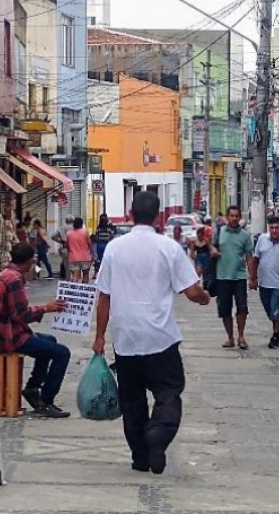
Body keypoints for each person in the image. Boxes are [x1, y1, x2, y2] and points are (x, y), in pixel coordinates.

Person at [92, 191, 211, 475]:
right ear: (159, 217)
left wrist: (99, 337)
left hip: (126, 339)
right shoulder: (168, 248)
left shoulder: (114, 248)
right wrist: (205, 297)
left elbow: (104, 297)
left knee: (132, 402)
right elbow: (191, 291)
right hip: (160, 338)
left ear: (131, 214)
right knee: (168, 393)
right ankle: (158, 435)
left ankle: (140, 458)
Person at [0, 243, 70, 418]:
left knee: (50, 341)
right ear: (28, 261)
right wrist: (46, 308)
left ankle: (32, 387)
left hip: (1, 333)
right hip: (9, 338)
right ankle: (46, 401)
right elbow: (21, 315)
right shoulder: (14, 280)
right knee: (62, 353)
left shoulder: (4, 274)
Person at [249, 217, 279, 349]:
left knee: (276, 308)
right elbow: (255, 260)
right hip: (264, 282)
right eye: (271, 228)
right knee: (269, 309)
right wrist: (253, 278)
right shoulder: (262, 240)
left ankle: (276, 335)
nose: (274, 231)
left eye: (277, 228)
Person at [211, 206, 254, 350]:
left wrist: (253, 277)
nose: (234, 218)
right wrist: (214, 251)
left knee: (242, 308)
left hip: (239, 277)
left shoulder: (245, 235)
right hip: (222, 276)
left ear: (240, 217)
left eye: (237, 216)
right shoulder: (220, 232)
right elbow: (211, 247)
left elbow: (249, 257)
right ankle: (230, 337)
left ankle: (241, 336)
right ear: (227, 217)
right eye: (232, 216)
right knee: (224, 309)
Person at [66, 217, 93, 283]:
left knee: (75, 276)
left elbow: (68, 246)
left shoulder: (68, 233)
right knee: (85, 275)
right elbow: (89, 244)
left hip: (73, 257)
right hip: (85, 257)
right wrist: (91, 253)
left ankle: (75, 291)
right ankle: (84, 291)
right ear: (81, 224)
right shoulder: (85, 232)